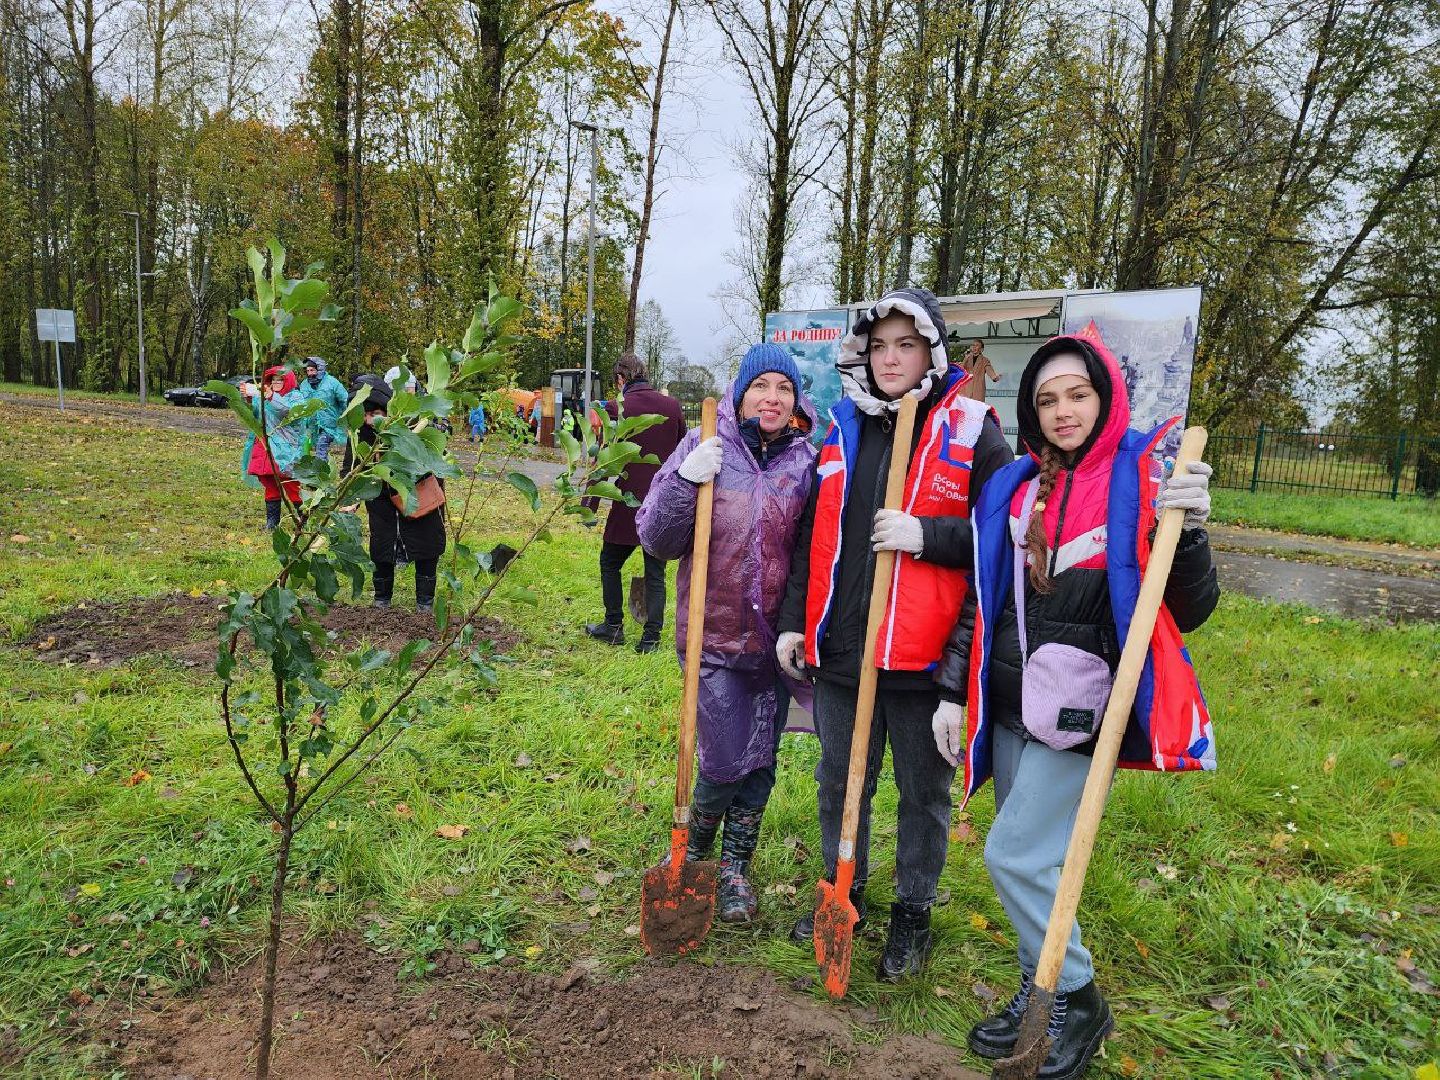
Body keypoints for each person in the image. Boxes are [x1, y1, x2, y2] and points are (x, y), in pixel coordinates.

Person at [941, 327, 1218, 1079]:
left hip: (1082, 705)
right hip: (1006, 699)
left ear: (1105, 397)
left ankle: (1079, 998)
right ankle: (1044, 993)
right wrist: (955, 693)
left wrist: (1188, 534)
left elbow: (1188, 608)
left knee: (1012, 856)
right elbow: (986, 596)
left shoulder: (1139, 475)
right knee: (1035, 862)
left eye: (1079, 394)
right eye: (1048, 399)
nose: (1064, 411)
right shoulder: (1016, 485)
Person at [774, 287, 1013, 980]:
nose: (890, 357)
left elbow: (1004, 546)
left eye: (906, 344)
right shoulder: (844, 427)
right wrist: (796, 622)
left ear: (931, 350)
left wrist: (929, 536)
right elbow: (809, 541)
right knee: (838, 782)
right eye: (879, 345)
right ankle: (842, 890)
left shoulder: (974, 432)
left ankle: (913, 916)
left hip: (922, 662)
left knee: (922, 797)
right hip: (844, 651)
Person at [636, 344, 818, 923]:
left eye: (783, 389)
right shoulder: (706, 447)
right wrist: (683, 485)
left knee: (762, 761)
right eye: (762, 385)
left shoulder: (805, 464)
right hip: (712, 638)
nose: (772, 397)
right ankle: (691, 856)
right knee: (719, 761)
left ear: (794, 402)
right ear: (741, 393)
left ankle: (736, 867)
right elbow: (657, 540)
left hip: (775, 644)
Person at [583, 352, 685, 653]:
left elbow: (601, 461)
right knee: (656, 573)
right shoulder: (672, 406)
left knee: (610, 562)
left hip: (628, 505)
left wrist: (588, 507)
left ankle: (613, 626)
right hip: (662, 505)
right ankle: (651, 639)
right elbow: (682, 453)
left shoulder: (617, 408)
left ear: (620, 379)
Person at [344, 374, 447, 613]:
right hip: (380, 498)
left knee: (426, 544)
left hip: (418, 493)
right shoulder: (360, 432)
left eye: (376, 415)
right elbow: (350, 465)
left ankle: (425, 602)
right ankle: (382, 599)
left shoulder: (413, 424)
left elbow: (432, 458)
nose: (370, 421)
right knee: (382, 544)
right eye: (365, 415)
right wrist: (350, 496)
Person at [241, 366, 305, 530]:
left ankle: (305, 518)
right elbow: (255, 414)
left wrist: (271, 396)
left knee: (289, 482)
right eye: (273, 380)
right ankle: (272, 522)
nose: (276, 383)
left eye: (280, 379)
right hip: (264, 444)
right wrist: (248, 399)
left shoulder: (295, 397)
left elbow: (288, 412)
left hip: (284, 447)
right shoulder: (262, 395)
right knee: (268, 480)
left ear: (288, 381)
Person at [298, 356, 348, 460]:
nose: (310, 373)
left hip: (330, 424)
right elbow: (301, 404)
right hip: (313, 425)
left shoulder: (332, 383)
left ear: (320, 369)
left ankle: (319, 471)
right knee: (319, 448)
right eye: (307, 371)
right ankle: (327, 469)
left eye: (312, 370)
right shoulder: (304, 385)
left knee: (322, 445)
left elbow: (344, 400)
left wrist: (346, 418)